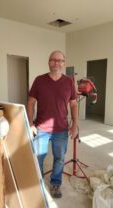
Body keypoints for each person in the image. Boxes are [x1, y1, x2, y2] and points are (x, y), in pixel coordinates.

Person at [27, 50, 78, 198]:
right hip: (41, 128)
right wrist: (30, 124)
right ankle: (38, 183)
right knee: (38, 158)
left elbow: (73, 104)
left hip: (61, 129)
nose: (56, 62)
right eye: (53, 60)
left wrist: (75, 124)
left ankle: (56, 184)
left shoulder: (69, 82)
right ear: (49, 62)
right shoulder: (39, 80)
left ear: (64, 63)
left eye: (60, 60)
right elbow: (30, 103)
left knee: (59, 159)